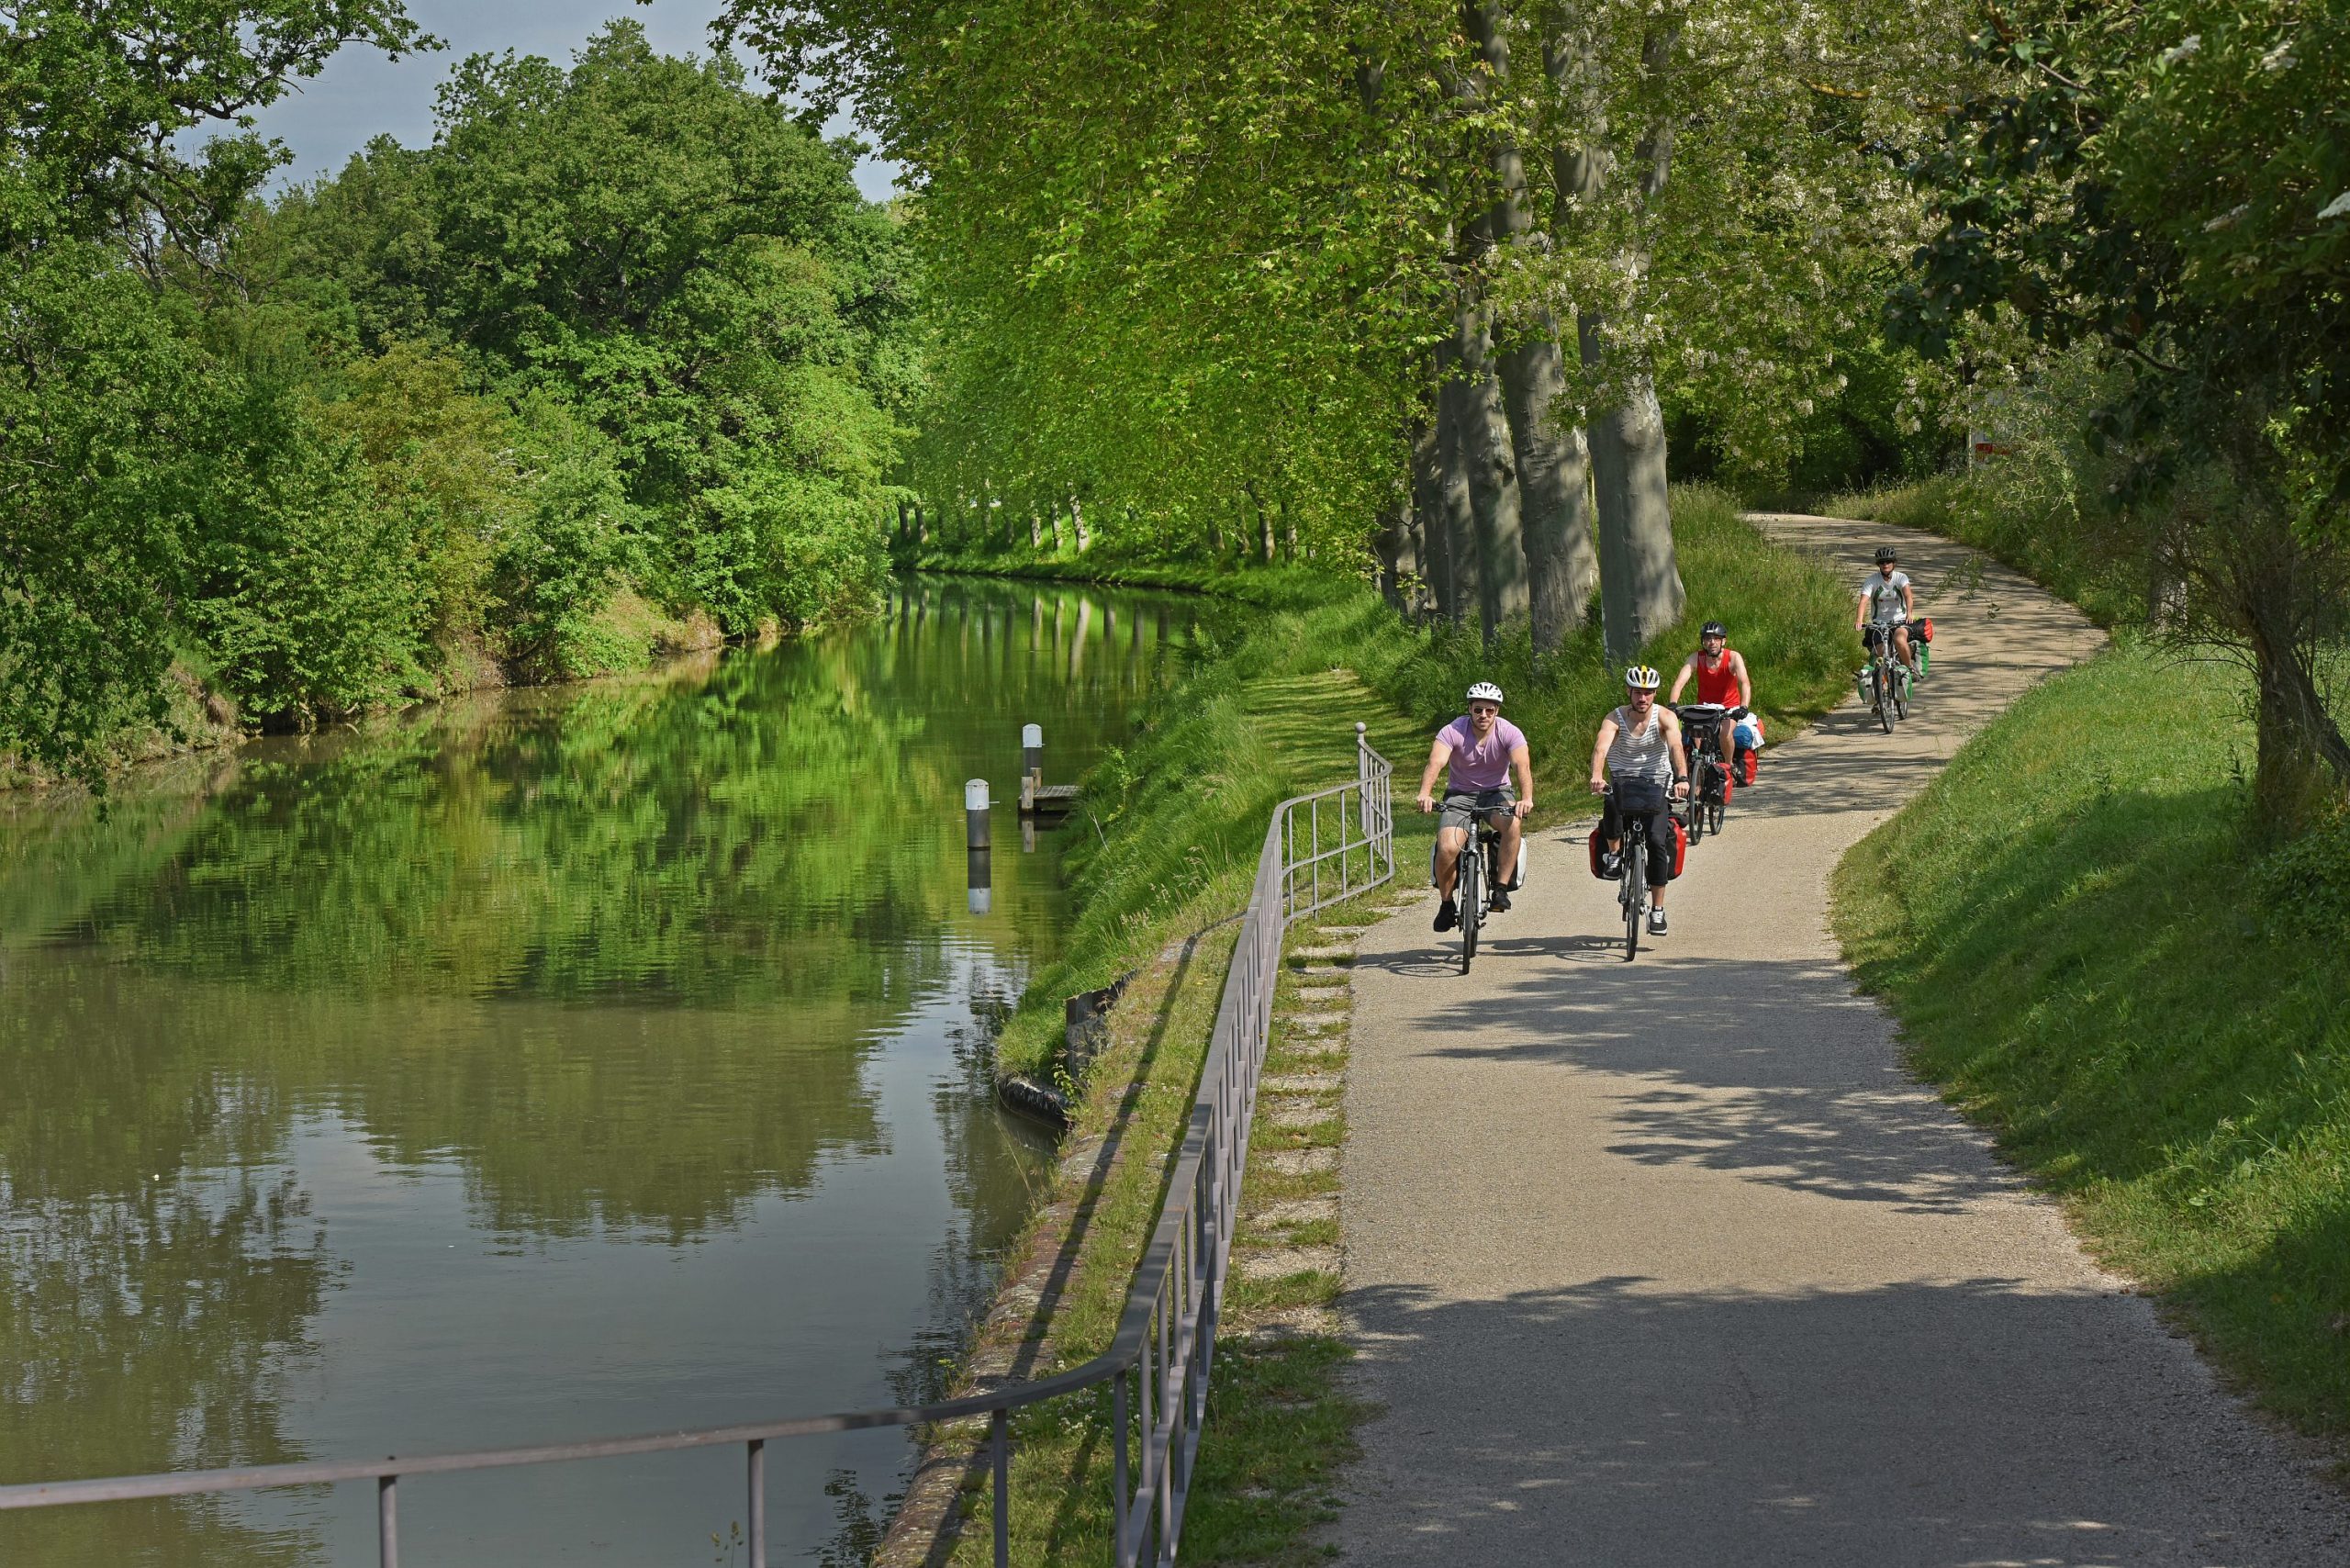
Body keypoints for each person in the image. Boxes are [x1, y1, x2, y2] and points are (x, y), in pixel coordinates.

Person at [1415, 681, 1534, 934]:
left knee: (1513, 824)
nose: (1483, 715)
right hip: (1459, 795)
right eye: (1478, 709)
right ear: (1469, 708)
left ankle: (1500, 888)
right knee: (1447, 846)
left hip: (1496, 794)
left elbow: (1522, 766)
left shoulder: (1509, 732)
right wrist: (1425, 793)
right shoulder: (1453, 731)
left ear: (1497, 712)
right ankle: (1447, 905)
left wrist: (1526, 798)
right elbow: (1435, 762)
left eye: (1489, 711)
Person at [1587, 665, 1691, 936]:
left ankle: (1657, 911)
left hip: (1656, 784)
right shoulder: (1615, 718)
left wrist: (1681, 777)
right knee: (1610, 803)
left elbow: (1676, 747)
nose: (1642, 698)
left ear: (1655, 694)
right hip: (1623, 781)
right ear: (1628, 692)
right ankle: (1614, 854)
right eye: (1637, 693)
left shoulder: (1665, 717)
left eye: (1647, 693)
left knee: (1657, 842)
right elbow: (1601, 747)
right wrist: (1597, 776)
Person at [1666, 621, 1758, 780]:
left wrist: (1743, 706)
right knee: (1695, 736)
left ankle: (1728, 767)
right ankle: (1697, 773)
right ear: (1703, 641)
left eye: (1716, 638)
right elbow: (1679, 683)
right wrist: (1673, 704)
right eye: (1708, 639)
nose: (1712, 642)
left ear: (1723, 641)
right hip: (1704, 708)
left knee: (1725, 732)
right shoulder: (1696, 658)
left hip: (1729, 707)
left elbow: (1745, 683)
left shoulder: (1733, 657)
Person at [1856, 545, 1919, 679]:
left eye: (1888, 561)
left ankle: (1910, 669)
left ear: (1894, 563)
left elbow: (1908, 596)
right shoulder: (1871, 580)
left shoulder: (1901, 578)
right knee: (1881, 652)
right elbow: (1863, 601)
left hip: (1899, 621)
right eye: (1882, 562)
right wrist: (1859, 620)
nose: (1885, 564)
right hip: (1879, 623)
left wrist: (1909, 614)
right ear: (1878, 564)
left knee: (1899, 639)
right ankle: (1884, 683)